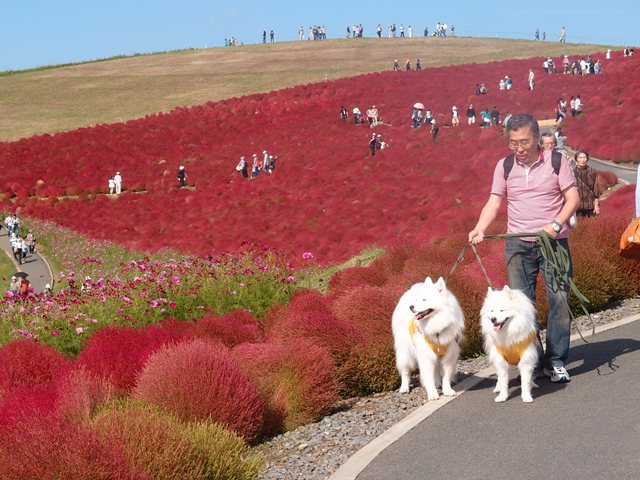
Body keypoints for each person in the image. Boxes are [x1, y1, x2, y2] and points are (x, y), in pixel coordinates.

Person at [469, 114, 579, 383]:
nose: (519, 148)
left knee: (560, 300)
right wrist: (480, 227)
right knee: (521, 306)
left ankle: (555, 361)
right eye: (513, 142)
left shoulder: (557, 161)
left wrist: (555, 225)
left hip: (553, 243)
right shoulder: (504, 166)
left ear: (536, 138)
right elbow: (494, 202)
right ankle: (533, 358)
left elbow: (573, 198)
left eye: (524, 142)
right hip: (518, 244)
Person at [573, 150, 601, 217]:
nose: (582, 160)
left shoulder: (593, 171)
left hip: (590, 206)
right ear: (576, 159)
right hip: (577, 207)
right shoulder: (572, 172)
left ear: (587, 159)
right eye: (580, 158)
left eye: (584, 157)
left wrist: (596, 206)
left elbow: (596, 190)